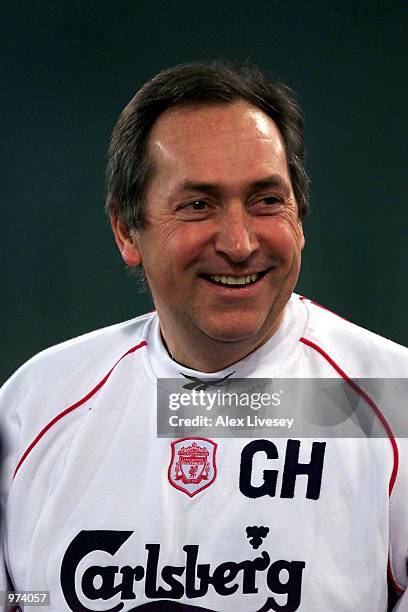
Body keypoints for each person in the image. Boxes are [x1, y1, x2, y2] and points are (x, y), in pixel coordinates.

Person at [0, 61, 407, 612]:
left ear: (300, 219)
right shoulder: (34, 406)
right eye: (198, 205)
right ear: (127, 231)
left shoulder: (390, 398)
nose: (239, 243)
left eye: (266, 200)